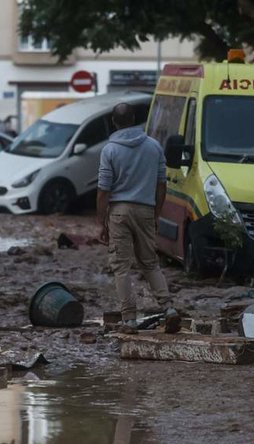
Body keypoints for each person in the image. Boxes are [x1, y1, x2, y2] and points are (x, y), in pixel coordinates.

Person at [97, 103, 178, 333]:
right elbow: (162, 185)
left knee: (121, 267)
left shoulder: (109, 150)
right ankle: (169, 309)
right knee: (150, 263)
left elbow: (103, 189)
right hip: (145, 209)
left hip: (119, 211)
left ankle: (130, 320)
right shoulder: (154, 147)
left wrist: (100, 222)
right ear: (134, 119)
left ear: (114, 122)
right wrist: (156, 213)